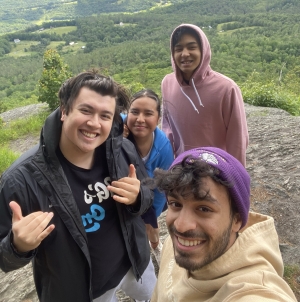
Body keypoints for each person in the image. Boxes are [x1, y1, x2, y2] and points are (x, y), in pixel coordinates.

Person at [0, 70, 156, 302]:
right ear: (64, 110)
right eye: (85, 110)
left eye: (105, 115)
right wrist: (17, 245)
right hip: (82, 291)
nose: (94, 124)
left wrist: (138, 196)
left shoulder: (122, 150)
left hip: (136, 263)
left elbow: (147, 195)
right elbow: (3, 257)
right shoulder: (22, 179)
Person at [151, 147, 297, 302]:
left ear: (237, 220)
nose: (181, 226)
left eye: (204, 209)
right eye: (175, 204)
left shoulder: (252, 291)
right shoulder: (174, 244)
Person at [161, 23, 249, 166]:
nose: (184, 54)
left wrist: (236, 180)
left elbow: (237, 140)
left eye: (192, 47)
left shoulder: (226, 88)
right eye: (178, 49)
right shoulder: (167, 84)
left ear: (203, 50)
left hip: (217, 172)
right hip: (182, 171)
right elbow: (167, 129)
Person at [122, 89, 174, 264]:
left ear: (158, 119)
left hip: (147, 197)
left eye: (148, 113)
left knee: (151, 228)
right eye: (134, 112)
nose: (140, 119)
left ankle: (155, 246)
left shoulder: (164, 149)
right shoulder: (116, 127)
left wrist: (153, 214)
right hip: (121, 193)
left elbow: (161, 188)